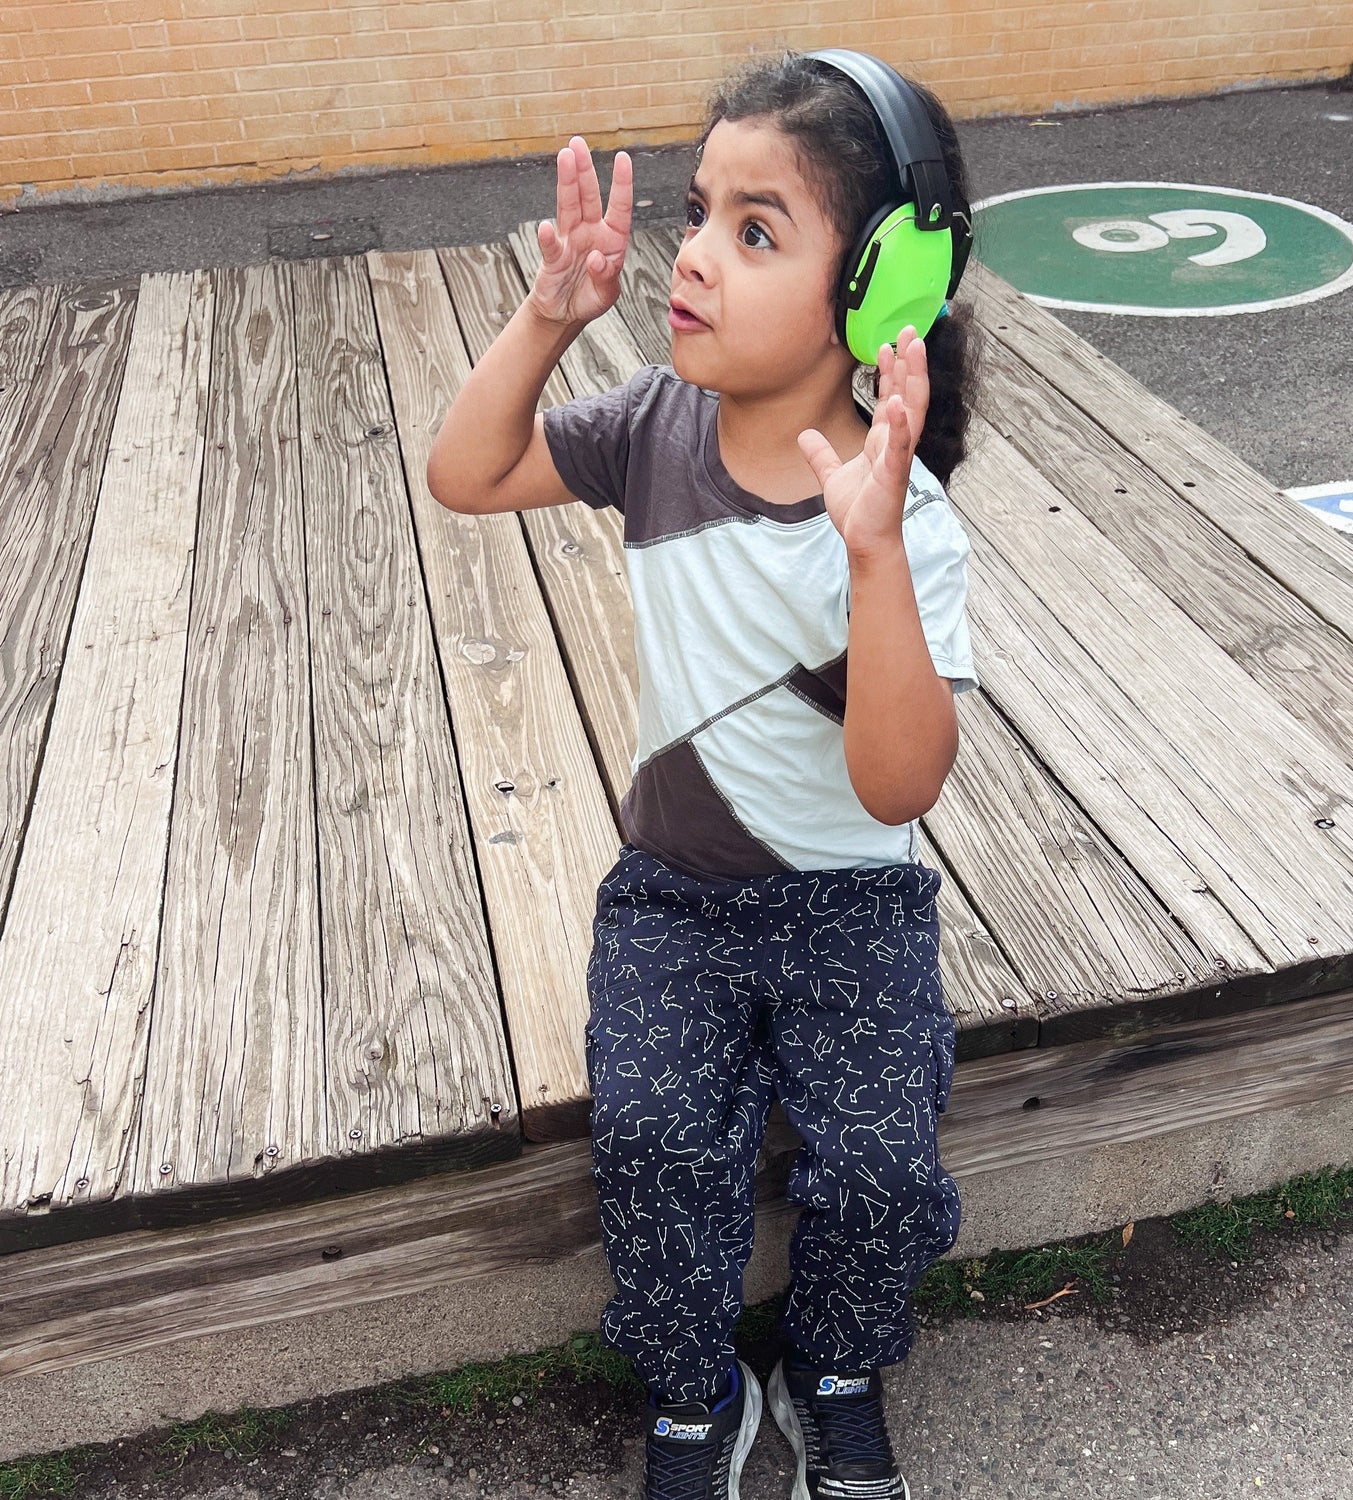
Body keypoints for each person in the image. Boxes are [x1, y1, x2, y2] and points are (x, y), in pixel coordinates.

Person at [427, 47, 981, 1500]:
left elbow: (899, 788)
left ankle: (837, 1363)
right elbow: (467, 474)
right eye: (696, 214)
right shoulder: (654, 432)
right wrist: (551, 321)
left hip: (851, 903)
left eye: (757, 232)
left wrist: (868, 555)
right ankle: (696, 1393)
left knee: (878, 1170)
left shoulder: (901, 517)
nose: (693, 260)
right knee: (661, 1139)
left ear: (879, 290)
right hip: (674, 895)